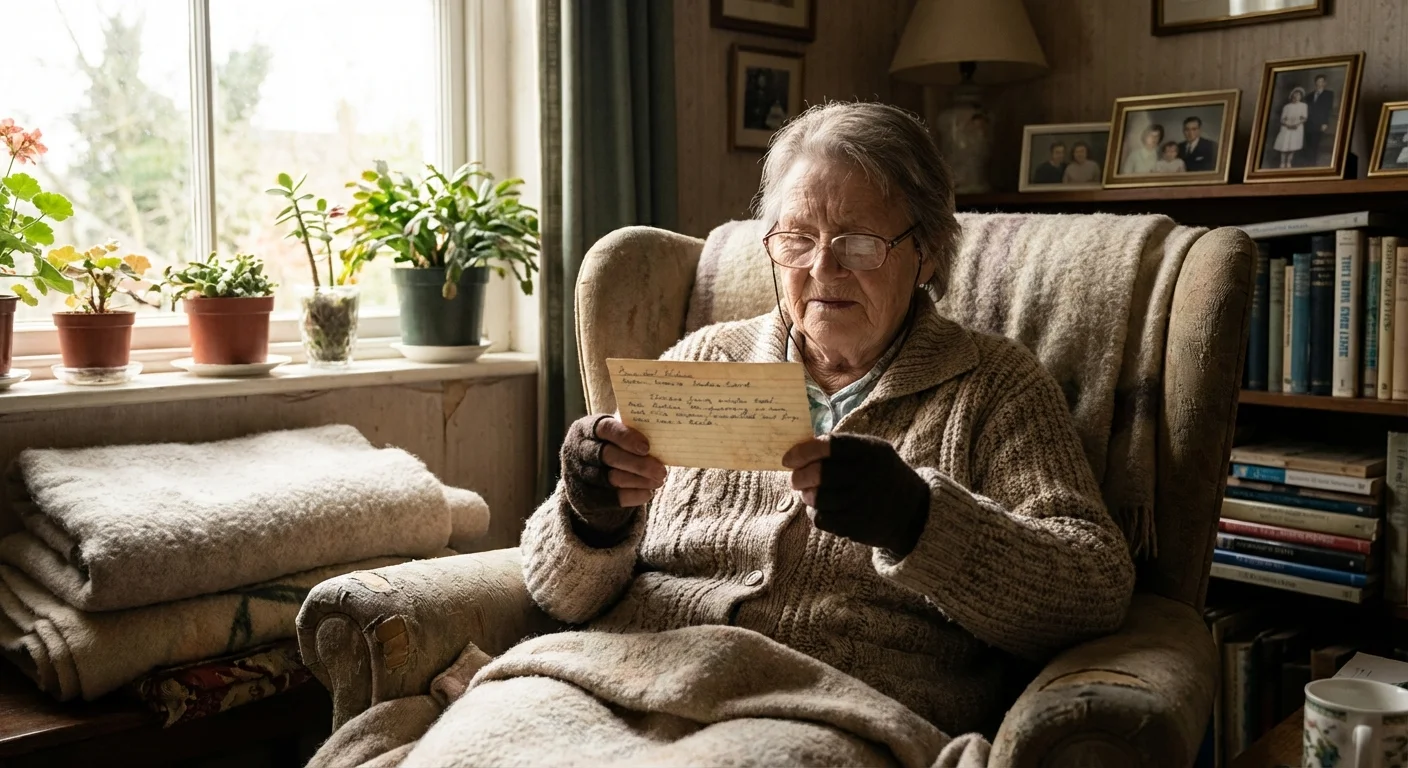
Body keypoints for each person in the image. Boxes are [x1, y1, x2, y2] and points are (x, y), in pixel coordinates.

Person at [410, 102, 1137, 766]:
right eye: (798, 238)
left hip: (831, 707)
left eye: (857, 245)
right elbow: (558, 594)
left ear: (929, 253)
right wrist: (589, 515)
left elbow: (1094, 588)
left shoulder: (994, 387)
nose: (822, 269)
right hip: (617, 673)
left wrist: (918, 520)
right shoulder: (701, 359)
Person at [1272, 87, 1308, 169]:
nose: (1296, 96)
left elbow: (1304, 117)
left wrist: (1296, 124)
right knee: (1284, 145)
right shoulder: (1287, 107)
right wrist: (1288, 124)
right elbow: (1282, 118)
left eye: (1299, 95)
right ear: (1292, 96)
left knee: (1292, 146)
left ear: (1301, 96)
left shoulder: (1303, 106)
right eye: (1295, 94)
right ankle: (1282, 163)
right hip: (1286, 127)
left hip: (1297, 127)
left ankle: (1288, 162)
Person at [1305, 74, 1337, 166]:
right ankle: (1308, 163)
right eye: (1318, 81)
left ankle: (1313, 163)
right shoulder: (1309, 96)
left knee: (1315, 143)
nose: (1319, 83)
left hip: (1320, 123)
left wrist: (1325, 123)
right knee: (1308, 143)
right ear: (1315, 83)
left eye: (1321, 81)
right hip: (1309, 123)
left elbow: (1328, 109)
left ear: (1325, 83)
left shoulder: (1329, 94)